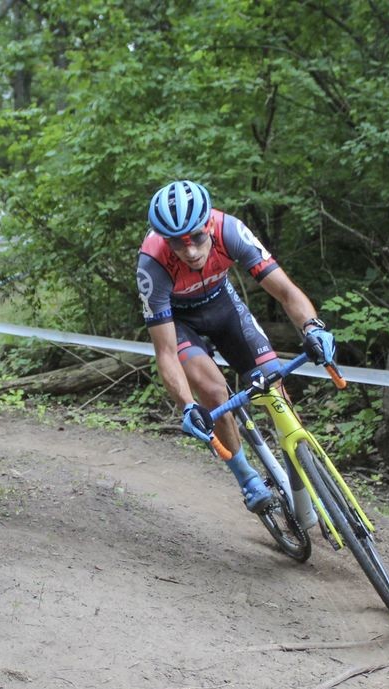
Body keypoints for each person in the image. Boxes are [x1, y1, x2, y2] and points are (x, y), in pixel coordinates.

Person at [136, 179, 336, 513]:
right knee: (214, 393)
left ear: (208, 225)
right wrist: (187, 405)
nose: (191, 251)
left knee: (275, 387)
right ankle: (247, 478)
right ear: (163, 240)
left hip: (223, 306)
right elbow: (166, 352)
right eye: (177, 244)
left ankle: (301, 485)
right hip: (180, 322)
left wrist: (312, 328)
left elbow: (286, 292)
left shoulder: (231, 231)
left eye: (198, 238)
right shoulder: (151, 265)